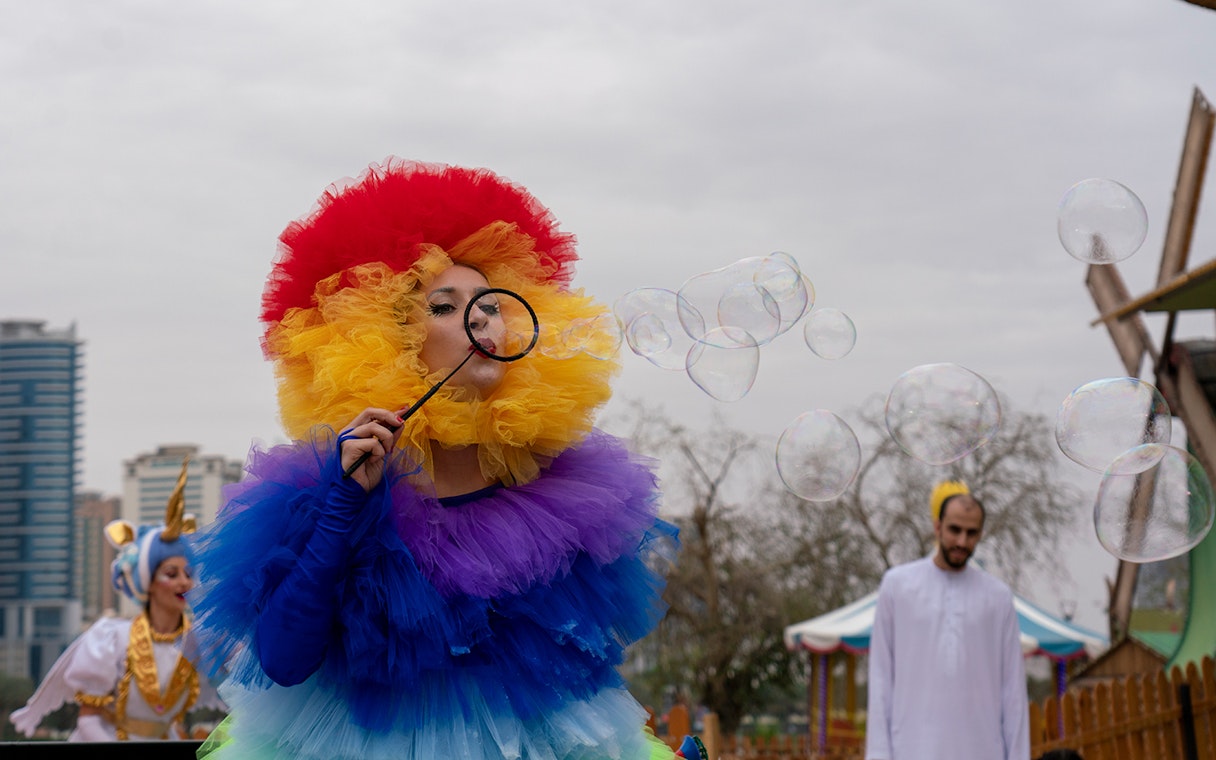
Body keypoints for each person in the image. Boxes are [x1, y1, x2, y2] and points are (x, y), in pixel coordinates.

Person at [186, 158, 700, 760]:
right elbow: (283, 660)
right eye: (445, 306)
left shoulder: (564, 496)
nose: (480, 319)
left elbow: (579, 683)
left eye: (489, 305)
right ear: (389, 339)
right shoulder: (330, 486)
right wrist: (343, 507)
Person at [9, 459, 222, 741]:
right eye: (171, 573)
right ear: (148, 580)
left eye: (188, 573)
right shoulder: (109, 639)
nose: (184, 581)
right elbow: (89, 722)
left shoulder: (197, 640)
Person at [865, 480, 1030, 760]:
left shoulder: (998, 597)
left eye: (971, 533)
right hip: (912, 750)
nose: (962, 542)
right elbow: (881, 680)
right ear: (937, 526)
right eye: (955, 530)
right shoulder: (897, 586)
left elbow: (1013, 692)